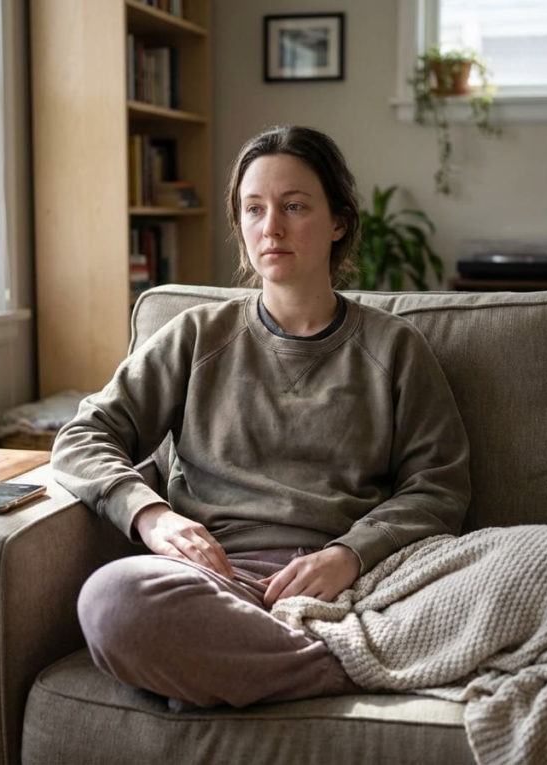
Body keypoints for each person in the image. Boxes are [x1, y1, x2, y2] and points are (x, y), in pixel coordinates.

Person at [51, 125, 471, 711]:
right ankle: (347, 664)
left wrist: (350, 553)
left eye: (294, 206)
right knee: (113, 602)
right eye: (254, 209)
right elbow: (84, 435)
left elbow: (439, 486)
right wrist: (148, 515)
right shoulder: (198, 336)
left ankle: (232, 671)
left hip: (361, 583)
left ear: (339, 222)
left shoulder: (395, 349)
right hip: (217, 577)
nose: (270, 227)